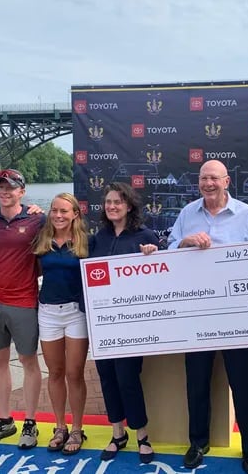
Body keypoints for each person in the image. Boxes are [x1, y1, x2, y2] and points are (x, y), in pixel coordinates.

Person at [167, 159, 248, 474]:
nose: (208, 183)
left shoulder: (245, 214)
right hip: (197, 312)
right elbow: (169, 254)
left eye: (214, 178)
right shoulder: (187, 214)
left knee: (244, 382)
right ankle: (198, 442)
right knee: (196, 381)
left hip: (237, 313)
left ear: (226, 182)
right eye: (203, 178)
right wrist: (185, 242)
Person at [91, 182, 160, 464]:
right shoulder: (98, 238)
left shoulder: (144, 236)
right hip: (103, 322)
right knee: (106, 376)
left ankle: (142, 434)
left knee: (127, 377)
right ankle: (117, 432)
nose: (112, 206)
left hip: (132, 323)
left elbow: (163, 272)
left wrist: (153, 254)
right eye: (108, 202)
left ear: (129, 206)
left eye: (118, 202)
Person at [0, 169, 45, 449]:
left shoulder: (38, 218)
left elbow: (63, 231)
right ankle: (4, 420)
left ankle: (30, 422)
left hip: (24, 300)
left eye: (11, 187)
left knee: (29, 361)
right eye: (1, 187)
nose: (5, 191)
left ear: (22, 191)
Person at [33, 192, 91, 455]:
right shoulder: (42, 239)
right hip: (47, 312)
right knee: (54, 372)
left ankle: (77, 428)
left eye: (64, 211)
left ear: (75, 214)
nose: (58, 215)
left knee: (74, 373)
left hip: (75, 312)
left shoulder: (86, 242)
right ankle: (60, 426)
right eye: (54, 210)